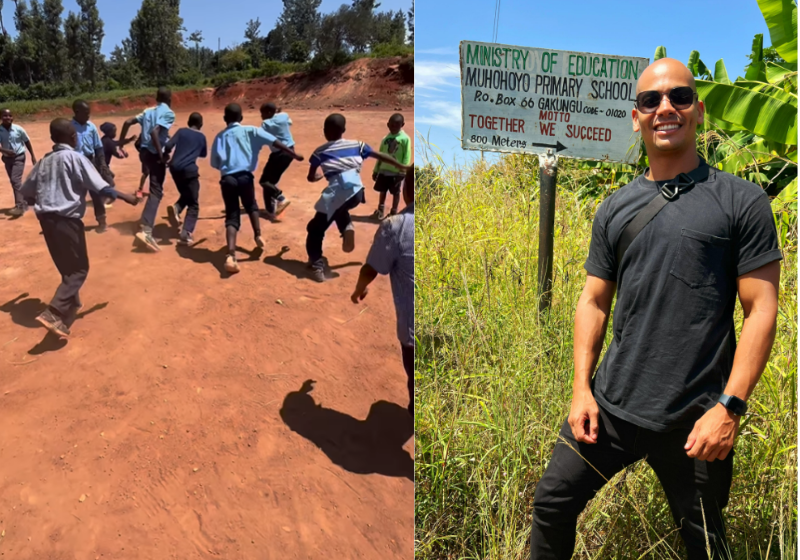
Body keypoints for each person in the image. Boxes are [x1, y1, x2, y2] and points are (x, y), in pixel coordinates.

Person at [529, 58, 782, 560]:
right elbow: (594, 300)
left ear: (699, 111)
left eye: (679, 97)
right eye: (651, 100)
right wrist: (582, 389)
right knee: (552, 503)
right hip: (612, 406)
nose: (666, 108)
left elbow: (761, 312)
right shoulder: (615, 208)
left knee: (705, 544)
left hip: (697, 418)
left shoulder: (742, 201)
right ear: (636, 116)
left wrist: (728, 409)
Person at [18, 118, 139, 339]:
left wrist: (45, 204)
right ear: (68, 137)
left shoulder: (43, 162)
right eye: (73, 134)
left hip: (46, 220)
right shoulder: (75, 158)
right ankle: (53, 312)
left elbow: (26, 192)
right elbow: (101, 187)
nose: (76, 137)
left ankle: (70, 304)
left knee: (66, 264)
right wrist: (127, 197)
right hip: (67, 220)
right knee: (79, 269)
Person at [305, 113, 411, 283]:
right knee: (341, 208)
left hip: (336, 192)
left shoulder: (319, 152)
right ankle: (346, 227)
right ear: (344, 130)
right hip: (356, 192)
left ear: (325, 131)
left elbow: (311, 176)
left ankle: (316, 266)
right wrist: (401, 165)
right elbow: (381, 156)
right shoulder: (358, 145)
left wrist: (317, 177)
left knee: (315, 228)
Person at [210, 103, 304, 274]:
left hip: (227, 179)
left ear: (225, 119)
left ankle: (231, 255)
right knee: (251, 205)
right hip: (245, 177)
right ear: (241, 118)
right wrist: (294, 154)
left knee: (232, 215)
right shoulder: (251, 130)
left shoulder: (219, 137)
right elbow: (276, 141)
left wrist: (228, 167)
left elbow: (214, 163)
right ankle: (258, 235)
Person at [351, 166, 414, 415]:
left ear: (407, 190)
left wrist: (358, 289)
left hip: (413, 330)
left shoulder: (396, 226)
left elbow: (371, 268)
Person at [119, 87, 176, 252]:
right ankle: (146, 230)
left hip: (143, 153)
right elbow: (154, 132)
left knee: (153, 186)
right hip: (153, 154)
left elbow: (127, 122)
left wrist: (121, 143)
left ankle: (145, 221)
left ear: (157, 98)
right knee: (156, 191)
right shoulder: (169, 113)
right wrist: (162, 155)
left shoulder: (148, 111)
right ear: (170, 99)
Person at [71, 100, 116, 232]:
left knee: (96, 193)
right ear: (77, 112)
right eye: (86, 113)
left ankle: (101, 221)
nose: (88, 115)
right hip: (76, 163)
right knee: (76, 195)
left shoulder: (91, 127)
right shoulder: (69, 127)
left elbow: (98, 147)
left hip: (91, 163)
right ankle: (73, 222)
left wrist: (102, 165)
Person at [164, 112, 208, 245]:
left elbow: (168, 146)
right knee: (193, 203)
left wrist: (166, 155)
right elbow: (204, 154)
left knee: (187, 193)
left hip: (174, 168)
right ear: (201, 124)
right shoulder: (201, 137)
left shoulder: (181, 131)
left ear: (189, 122)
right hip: (189, 170)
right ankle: (186, 233)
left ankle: (177, 207)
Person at [259, 102, 295, 219]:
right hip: (290, 152)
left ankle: (281, 199)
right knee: (270, 182)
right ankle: (270, 211)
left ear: (269, 112)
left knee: (264, 182)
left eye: (263, 113)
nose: (261, 116)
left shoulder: (266, 123)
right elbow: (290, 122)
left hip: (279, 154)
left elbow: (260, 135)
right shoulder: (284, 116)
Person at [371, 113, 410, 220]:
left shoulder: (405, 139)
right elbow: (380, 155)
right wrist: (376, 170)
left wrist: (403, 171)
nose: (393, 127)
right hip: (383, 171)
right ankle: (380, 211)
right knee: (382, 191)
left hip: (396, 172)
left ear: (402, 125)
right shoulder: (385, 139)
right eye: (391, 125)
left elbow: (406, 155)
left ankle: (393, 213)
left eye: (396, 125)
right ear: (388, 125)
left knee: (396, 193)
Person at [0, 108, 37, 216]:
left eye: (10, 116)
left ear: (13, 117)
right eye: (5, 116)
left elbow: (27, 141)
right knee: (14, 182)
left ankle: (19, 206)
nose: (8, 118)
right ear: (1, 117)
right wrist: (4, 150)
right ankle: (26, 200)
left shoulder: (18, 129)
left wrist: (33, 156)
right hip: (7, 159)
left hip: (19, 157)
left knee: (15, 179)